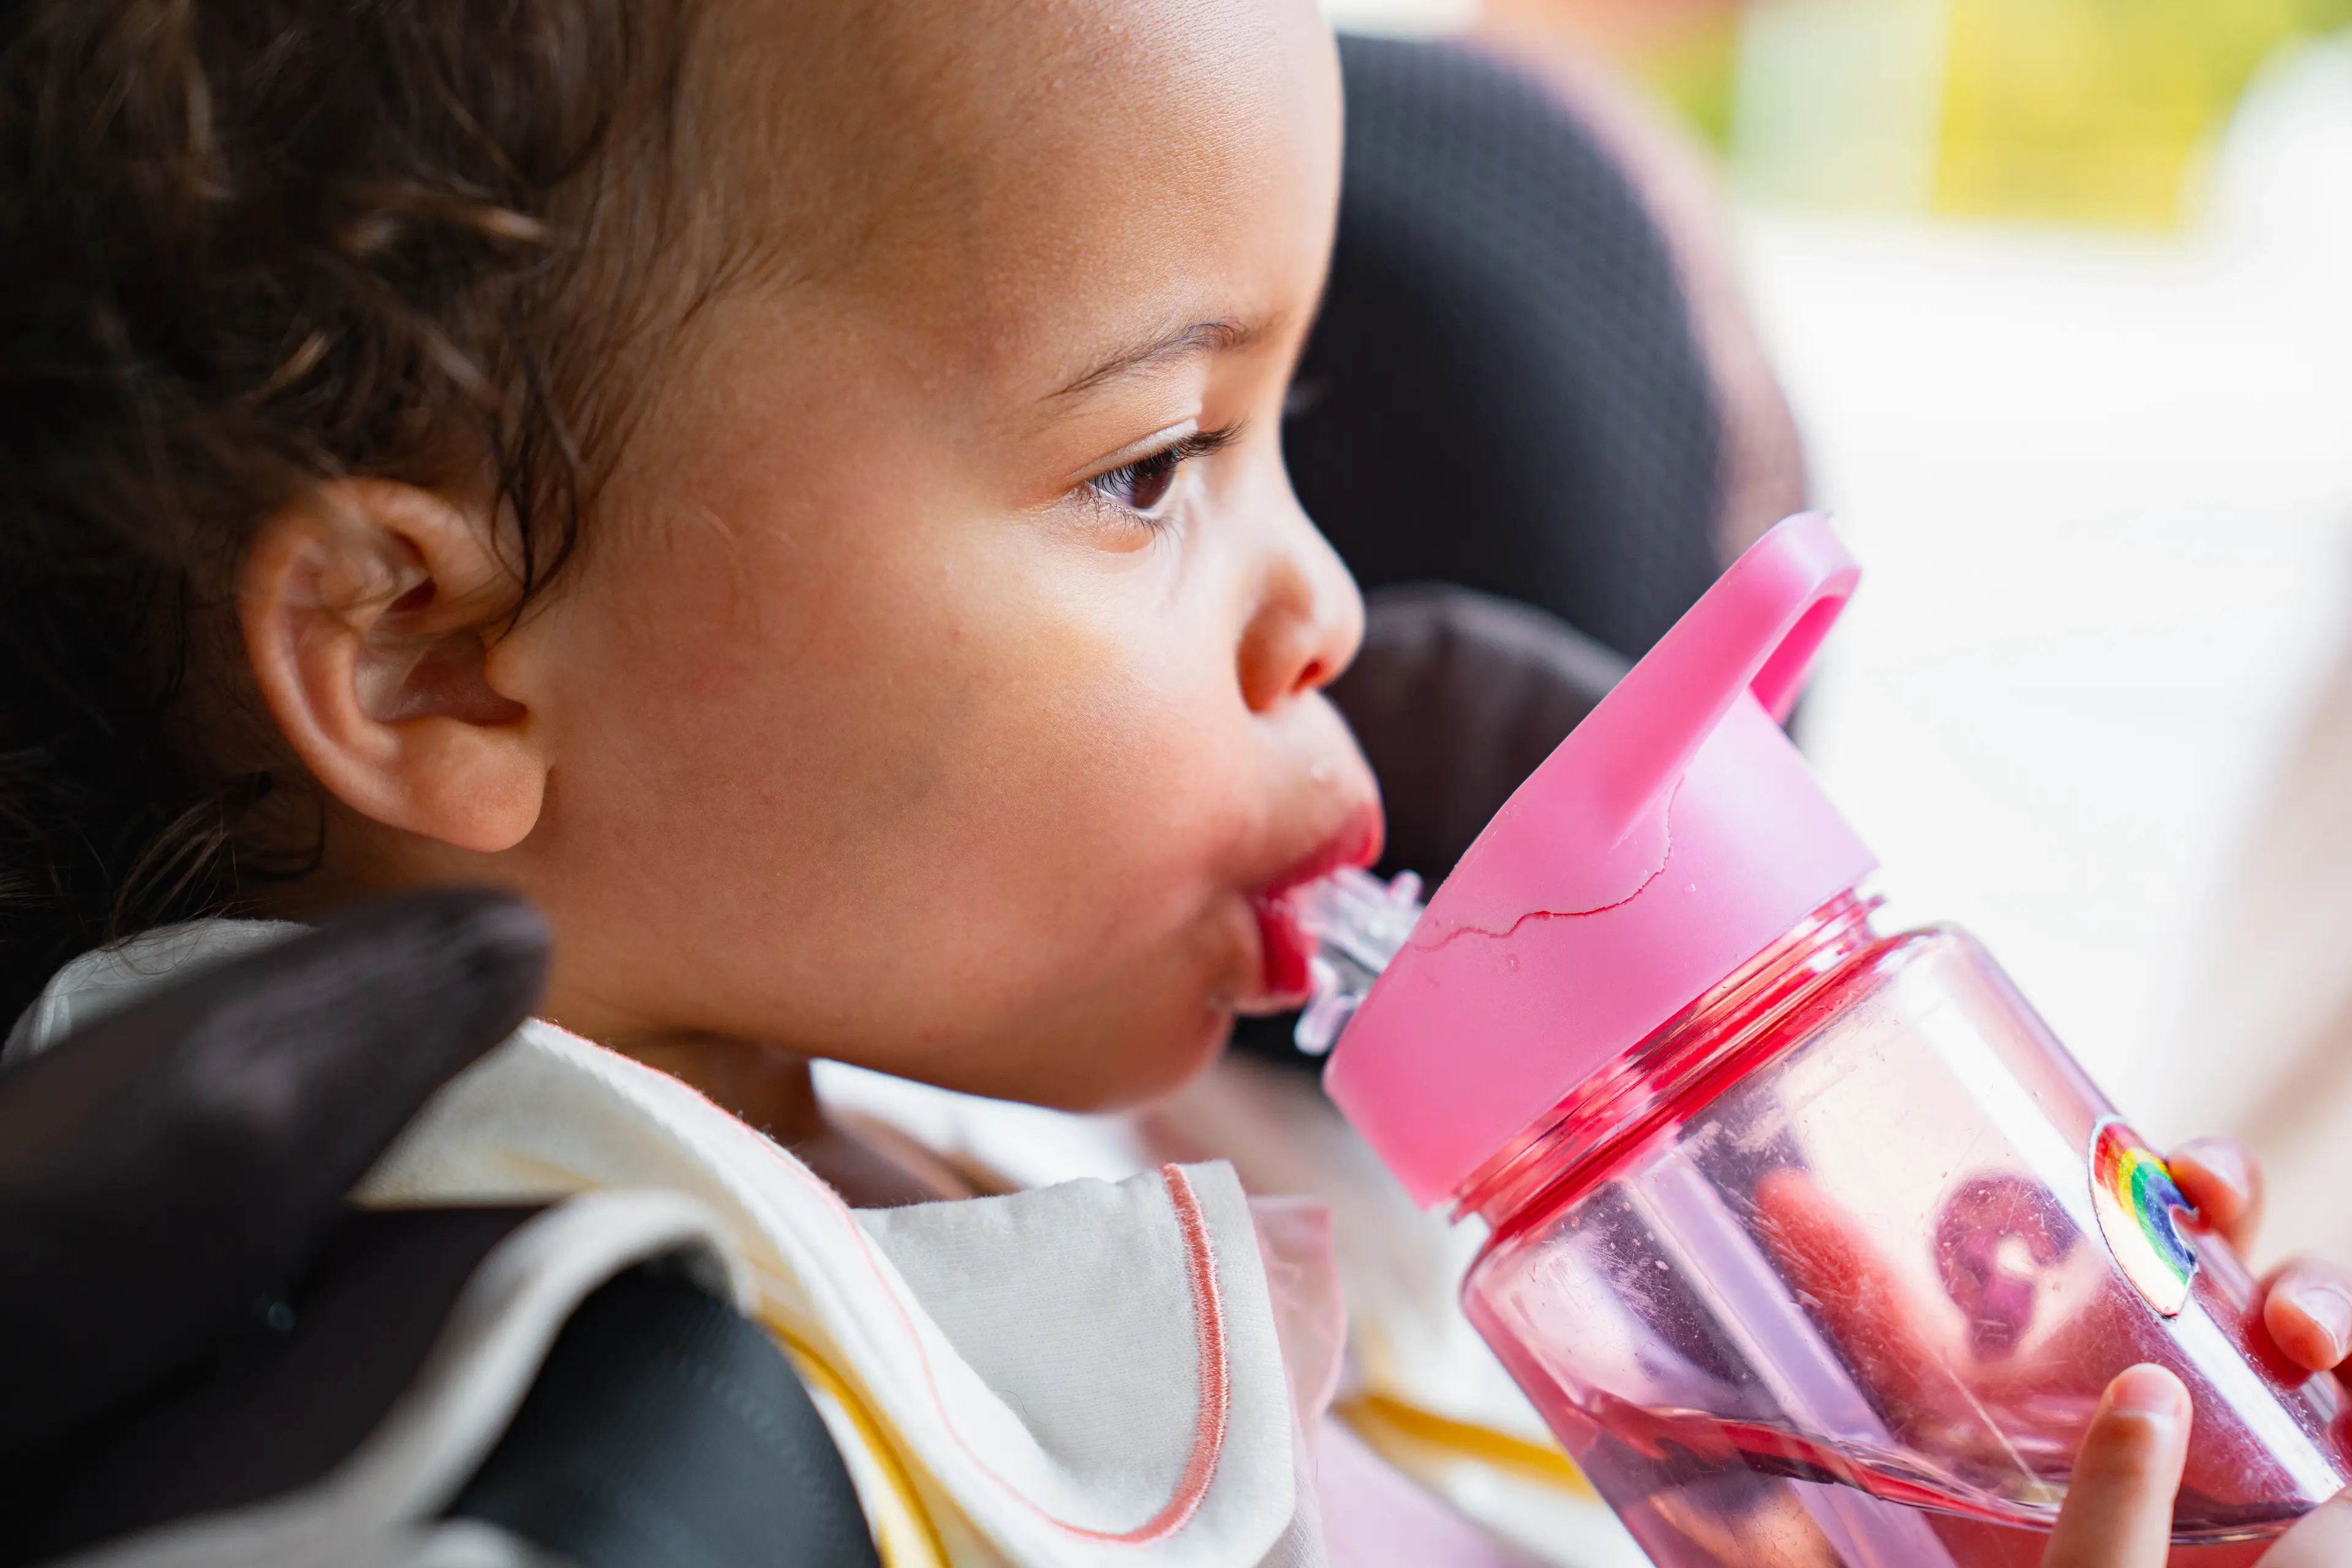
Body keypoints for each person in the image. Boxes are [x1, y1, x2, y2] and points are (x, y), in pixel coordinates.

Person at [2, 1, 2347, 1562]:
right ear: (435, 656)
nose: (1325, 605)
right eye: (1150, 465)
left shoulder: (993, 1191)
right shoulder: (502, 1413)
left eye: (1285, 440)